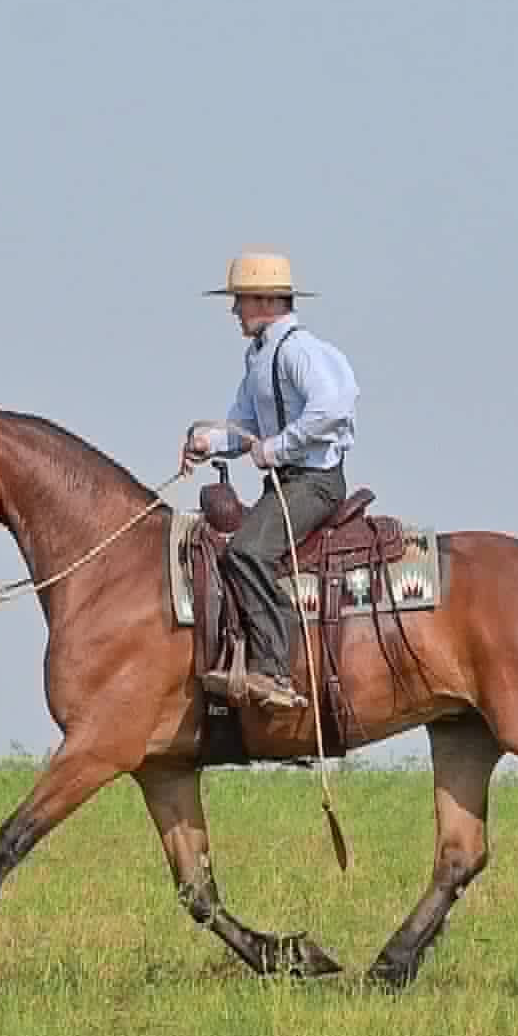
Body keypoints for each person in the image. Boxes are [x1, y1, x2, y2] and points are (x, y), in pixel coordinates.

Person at [181, 252, 360, 711]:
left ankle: (274, 668)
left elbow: (333, 407)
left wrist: (277, 447)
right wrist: (208, 443)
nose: (234, 311)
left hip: (313, 481)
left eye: (240, 300)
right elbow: (242, 427)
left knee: (247, 550)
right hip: (288, 479)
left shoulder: (298, 350)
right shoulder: (258, 356)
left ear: (264, 301)